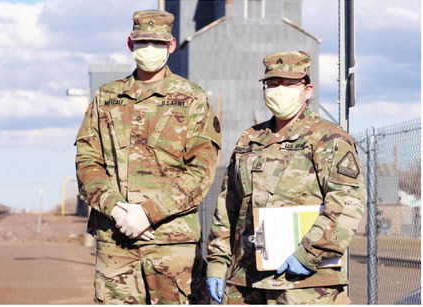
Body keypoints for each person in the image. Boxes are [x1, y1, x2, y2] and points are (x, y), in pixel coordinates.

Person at [75, 10, 222, 304]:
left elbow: (201, 172)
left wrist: (148, 213)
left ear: (170, 45)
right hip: (116, 240)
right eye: (143, 43)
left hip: (171, 242)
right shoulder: (106, 97)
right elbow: (87, 160)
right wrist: (115, 208)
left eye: (157, 43)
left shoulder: (191, 98)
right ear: (130, 44)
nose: (150, 50)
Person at [206, 50, 367, 305]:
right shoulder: (250, 139)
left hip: (304, 284)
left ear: (307, 90)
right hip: (245, 281)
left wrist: (309, 253)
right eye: (272, 83)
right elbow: (228, 206)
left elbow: (347, 203)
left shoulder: (327, 138)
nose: (279, 90)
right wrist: (217, 262)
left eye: (289, 83)